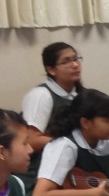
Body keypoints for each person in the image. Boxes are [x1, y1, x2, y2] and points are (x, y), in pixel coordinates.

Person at [20, 42, 83, 184]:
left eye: (76, 59)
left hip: (72, 160)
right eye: (66, 61)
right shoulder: (41, 95)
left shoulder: (79, 94)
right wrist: (72, 145)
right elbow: (31, 141)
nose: (75, 65)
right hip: (42, 166)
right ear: (51, 70)